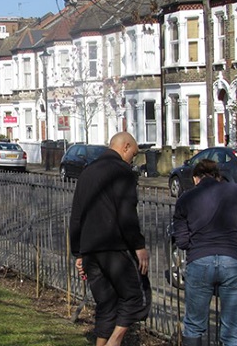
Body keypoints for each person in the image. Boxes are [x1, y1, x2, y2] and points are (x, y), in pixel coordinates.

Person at [172, 159, 237, 346]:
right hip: (234, 261)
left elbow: (182, 241)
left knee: (193, 325)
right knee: (233, 331)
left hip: (200, 261)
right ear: (217, 176)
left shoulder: (186, 198)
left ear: (195, 178)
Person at [69, 131, 151, 346]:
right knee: (135, 297)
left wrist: (78, 252)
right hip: (114, 246)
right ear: (125, 147)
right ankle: (114, 341)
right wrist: (139, 245)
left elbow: (77, 214)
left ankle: (101, 343)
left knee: (106, 302)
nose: (132, 159)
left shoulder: (87, 172)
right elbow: (126, 212)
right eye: (133, 154)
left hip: (90, 249)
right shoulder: (122, 172)